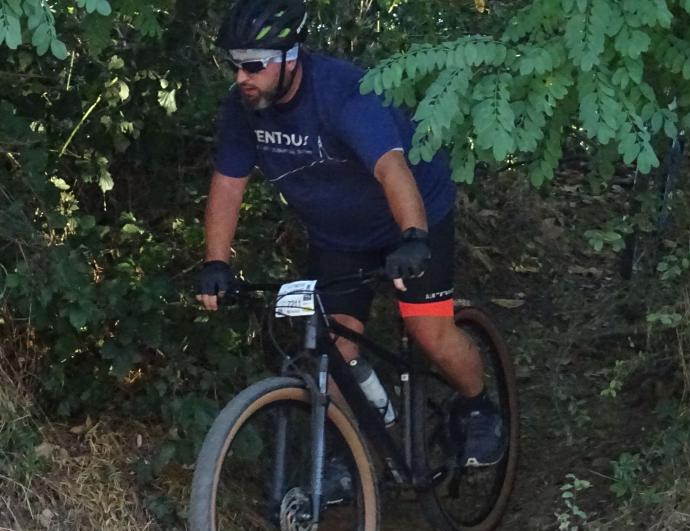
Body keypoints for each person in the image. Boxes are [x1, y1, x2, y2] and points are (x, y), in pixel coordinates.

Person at [194, 0, 504, 467]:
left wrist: (413, 237)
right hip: (337, 234)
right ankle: (347, 457)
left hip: (411, 215)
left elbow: (391, 169)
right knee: (333, 350)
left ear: (291, 58)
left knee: (428, 331)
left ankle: (478, 406)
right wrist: (217, 262)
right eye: (234, 65)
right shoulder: (245, 107)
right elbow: (228, 184)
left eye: (253, 66)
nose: (242, 78)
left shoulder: (343, 94)